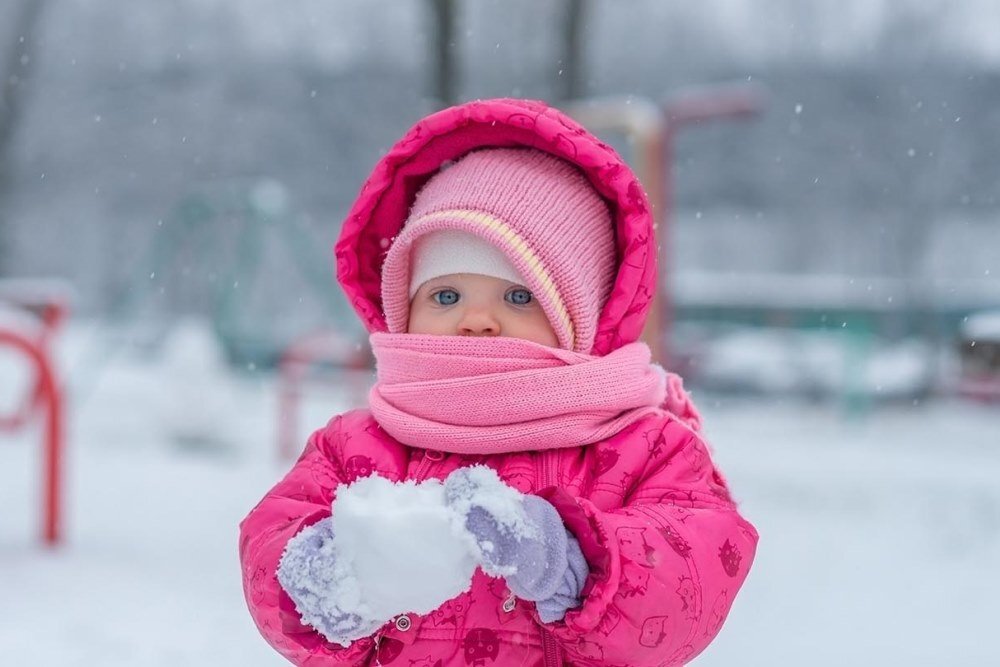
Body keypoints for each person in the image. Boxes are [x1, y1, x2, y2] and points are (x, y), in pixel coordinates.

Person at [239, 97, 757, 666]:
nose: (476, 319)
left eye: (518, 296)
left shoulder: (644, 445)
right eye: (445, 295)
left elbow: (694, 572)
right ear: (401, 307)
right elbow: (271, 548)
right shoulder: (356, 445)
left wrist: (566, 562)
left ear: (578, 315)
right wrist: (331, 575)